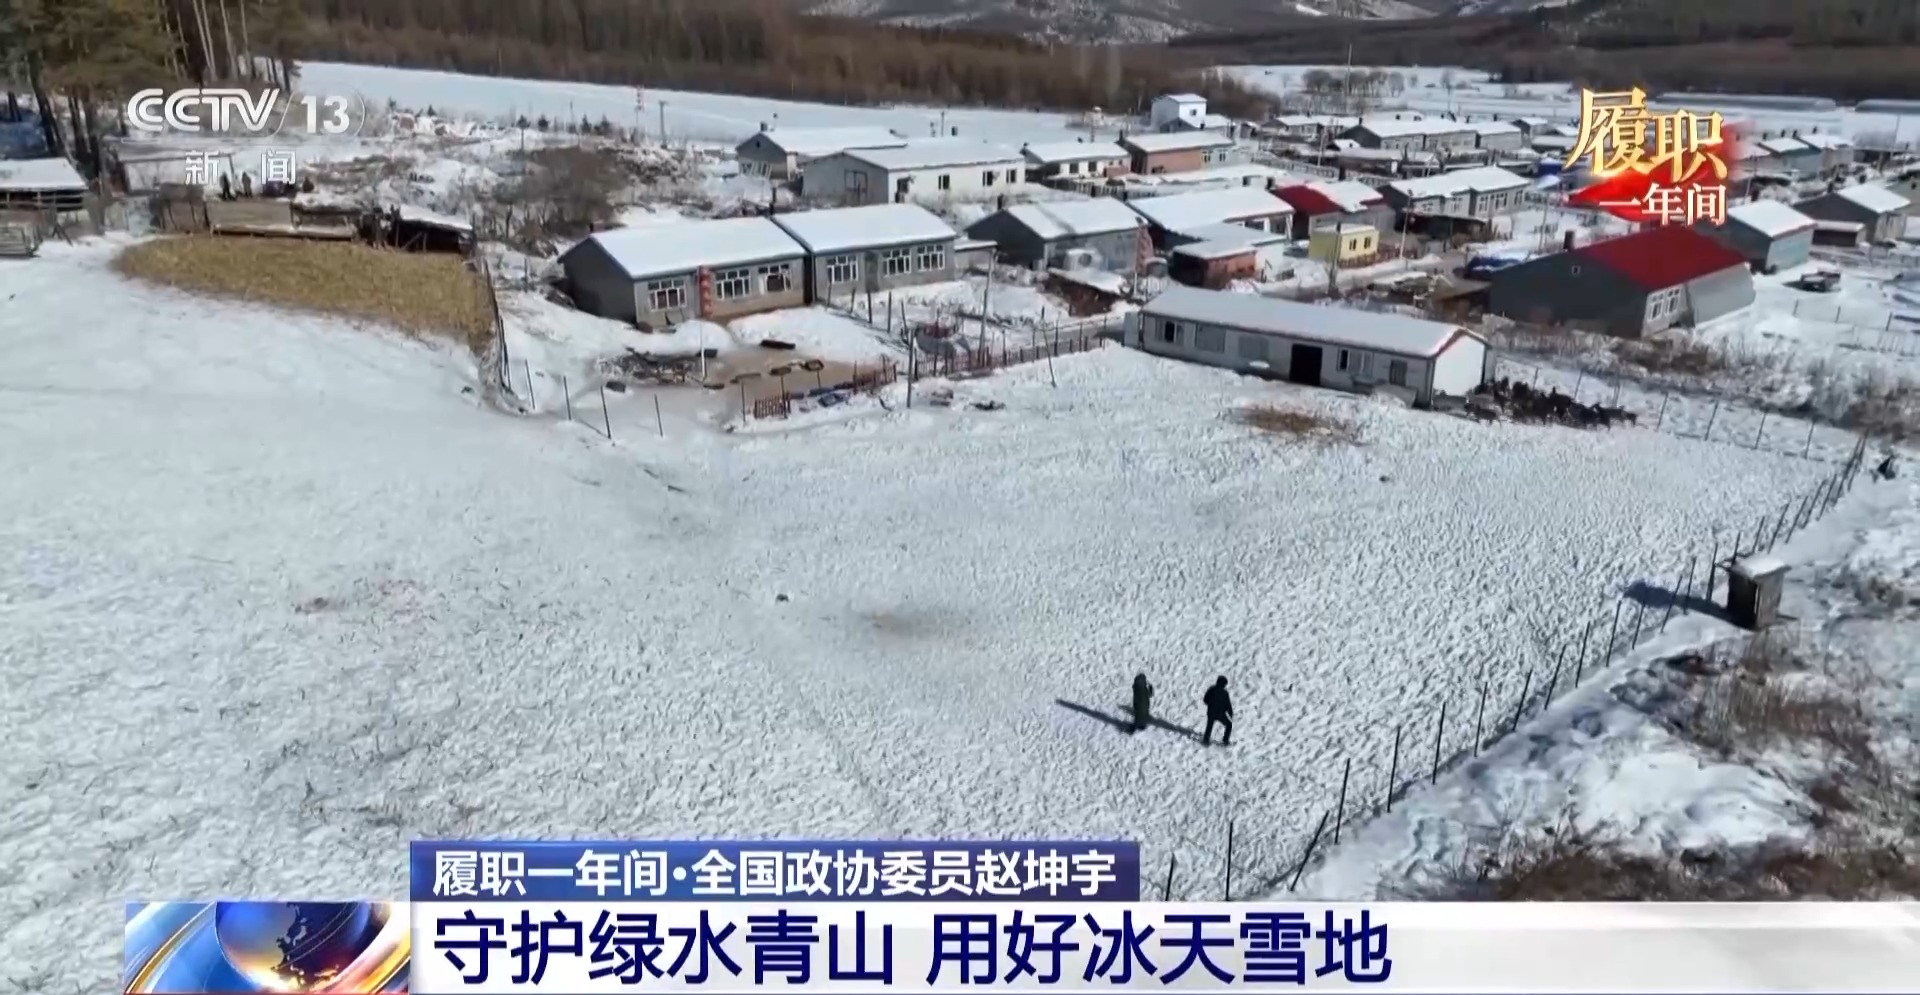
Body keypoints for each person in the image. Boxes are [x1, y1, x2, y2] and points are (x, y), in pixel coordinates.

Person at [1202, 676, 1232, 747]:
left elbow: (1205, 699)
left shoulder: (1212, 689)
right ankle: (1225, 741)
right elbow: (1228, 705)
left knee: (1209, 726)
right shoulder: (1225, 693)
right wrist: (1230, 713)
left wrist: (1211, 704)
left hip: (1211, 712)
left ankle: (1206, 740)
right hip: (1220, 713)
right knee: (1229, 725)